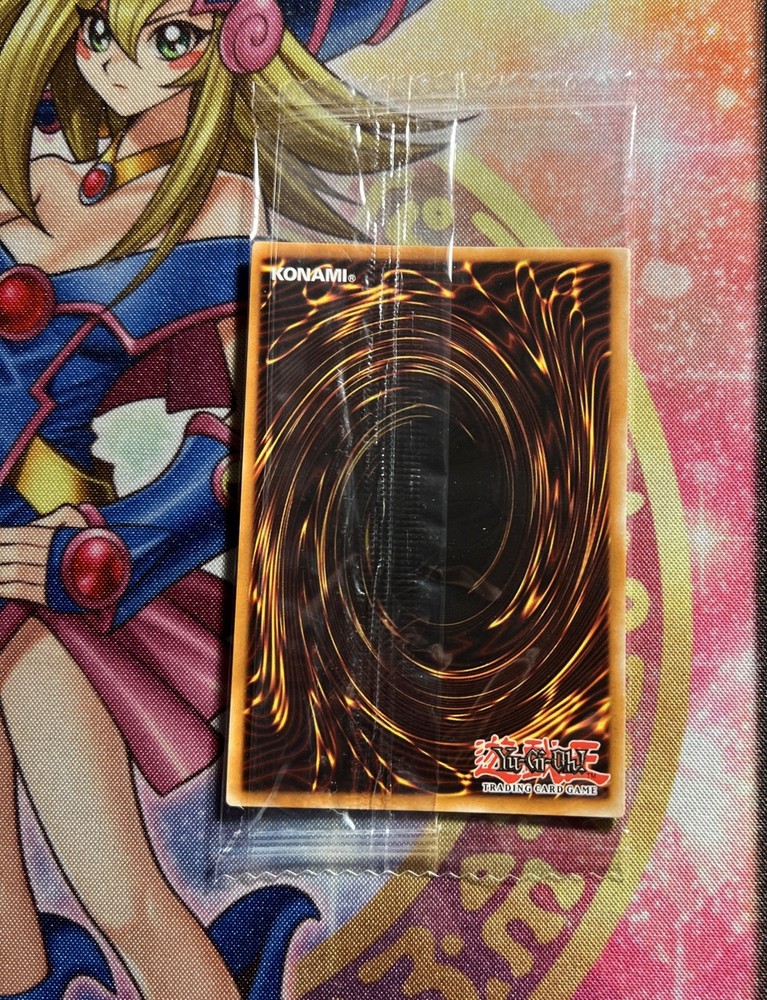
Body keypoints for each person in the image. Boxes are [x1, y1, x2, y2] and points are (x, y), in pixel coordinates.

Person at [0, 0, 435, 996]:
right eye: (94, 28)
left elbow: (261, 436)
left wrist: (104, 550)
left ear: (241, 40)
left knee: (120, 897)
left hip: (37, 573)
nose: (113, 62)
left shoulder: (220, 210)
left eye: (166, 38)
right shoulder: (31, 166)